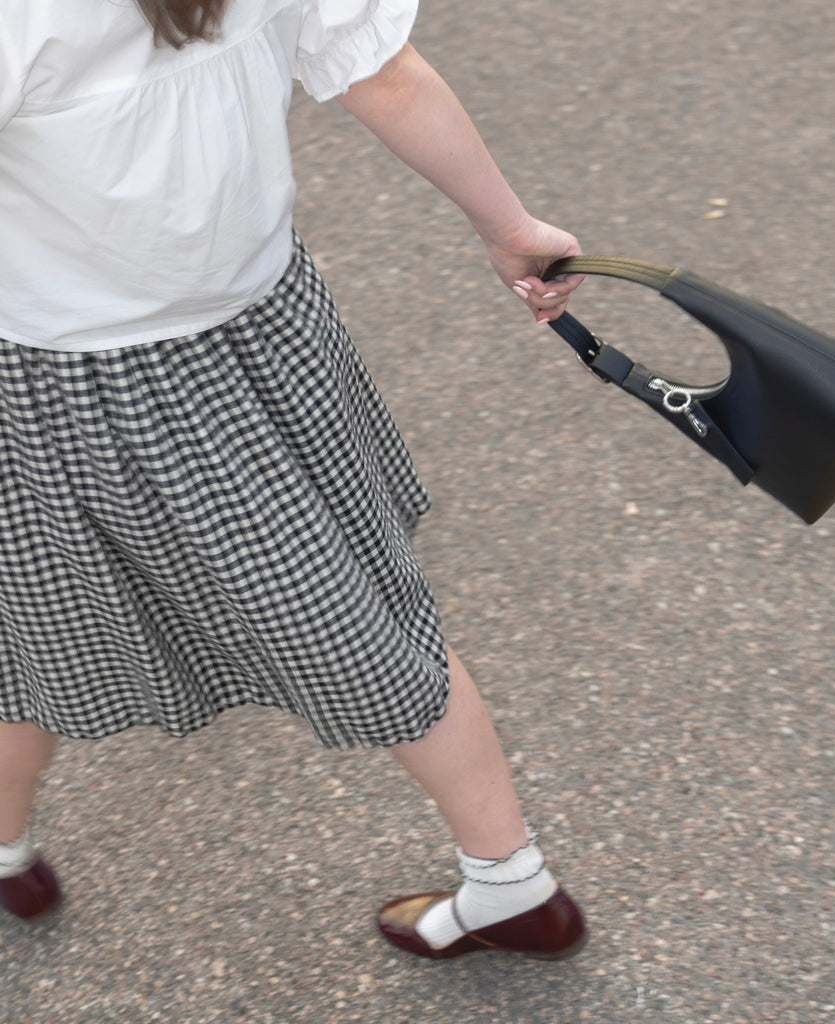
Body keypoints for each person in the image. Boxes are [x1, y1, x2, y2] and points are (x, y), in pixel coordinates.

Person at [0, 0, 587, 960]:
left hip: (72, 378)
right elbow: (383, 75)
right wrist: (507, 225)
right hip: (267, 328)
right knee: (367, 614)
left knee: (29, 630)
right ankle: (510, 880)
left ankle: (4, 856)